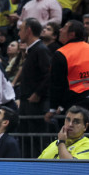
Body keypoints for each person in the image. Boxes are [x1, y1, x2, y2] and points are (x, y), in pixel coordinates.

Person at [17, 18, 51, 154]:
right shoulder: (32, 50)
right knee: (25, 141)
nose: (19, 33)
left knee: (36, 142)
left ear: (28, 30)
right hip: (27, 103)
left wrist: (38, 93)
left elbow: (49, 74)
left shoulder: (41, 50)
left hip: (36, 104)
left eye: (21, 29)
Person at [46, 20, 89, 122]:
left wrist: (53, 109)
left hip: (75, 105)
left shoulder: (61, 53)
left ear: (72, 34)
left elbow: (57, 84)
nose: (60, 30)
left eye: (64, 28)